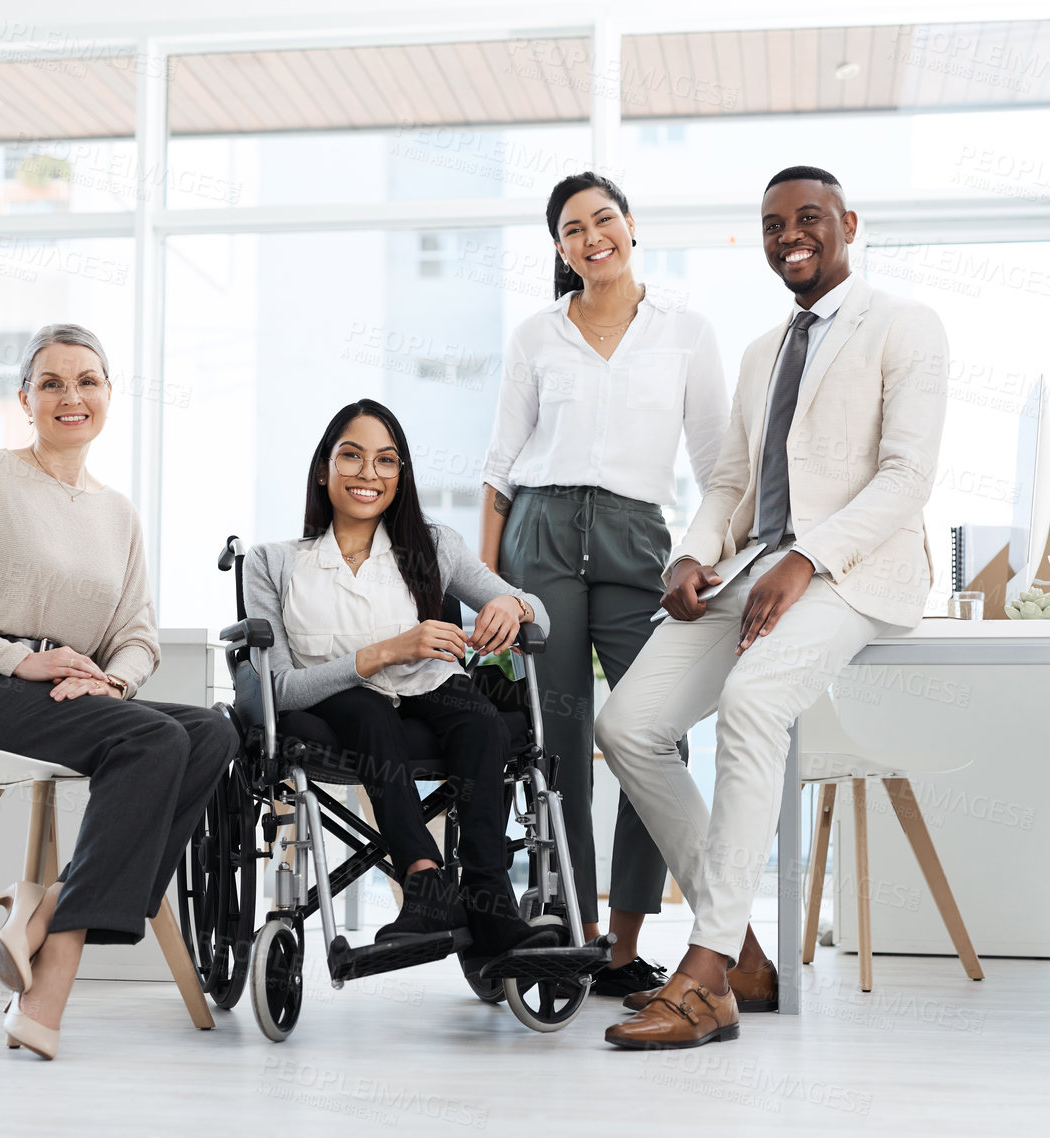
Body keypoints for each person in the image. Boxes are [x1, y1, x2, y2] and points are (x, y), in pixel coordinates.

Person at [596, 166, 949, 1049]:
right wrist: (691, 552)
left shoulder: (904, 326)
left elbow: (906, 477)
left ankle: (702, 973)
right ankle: (742, 952)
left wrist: (806, 557)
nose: (788, 234)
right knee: (627, 723)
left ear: (848, 224)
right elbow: (730, 481)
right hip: (753, 563)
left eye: (807, 218)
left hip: (854, 570)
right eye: (771, 224)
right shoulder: (761, 353)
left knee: (753, 704)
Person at [0, 323, 236, 1061]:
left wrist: (110, 679)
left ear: (108, 395)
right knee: (153, 737)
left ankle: (50, 903)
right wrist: (21, 663)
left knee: (211, 730)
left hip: (64, 693)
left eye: (86, 380)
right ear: (24, 399)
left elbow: (137, 635)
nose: (70, 395)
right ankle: (53, 975)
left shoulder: (118, 514)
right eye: (50, 382)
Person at [480, 171, 729, 998]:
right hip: (539, 538)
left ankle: (622, 946)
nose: (592, 237)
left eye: (604, 219)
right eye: (571, 230)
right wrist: (486, 587)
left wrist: (707, 559)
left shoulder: (686, 332)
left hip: (637, 539)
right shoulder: (535, 335)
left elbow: (717, 467)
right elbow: (499, 471)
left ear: (630, 226)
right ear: (558, 250)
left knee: (653, 733)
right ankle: (572, 935)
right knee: (556, 752)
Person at [245, 399, 560, 970]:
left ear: (400, 475)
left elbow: (541, 612)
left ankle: (491, 900)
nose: (369, 474)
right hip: (336, 701)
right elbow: (282, 689)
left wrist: (513, 607)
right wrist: (389, 650)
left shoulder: (433, 547)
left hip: (432, 689)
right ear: (323, 468)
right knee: (368, 712)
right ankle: (425, 884)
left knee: (482, 718)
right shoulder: (273, 562)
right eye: (352, 456)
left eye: (386, 461)